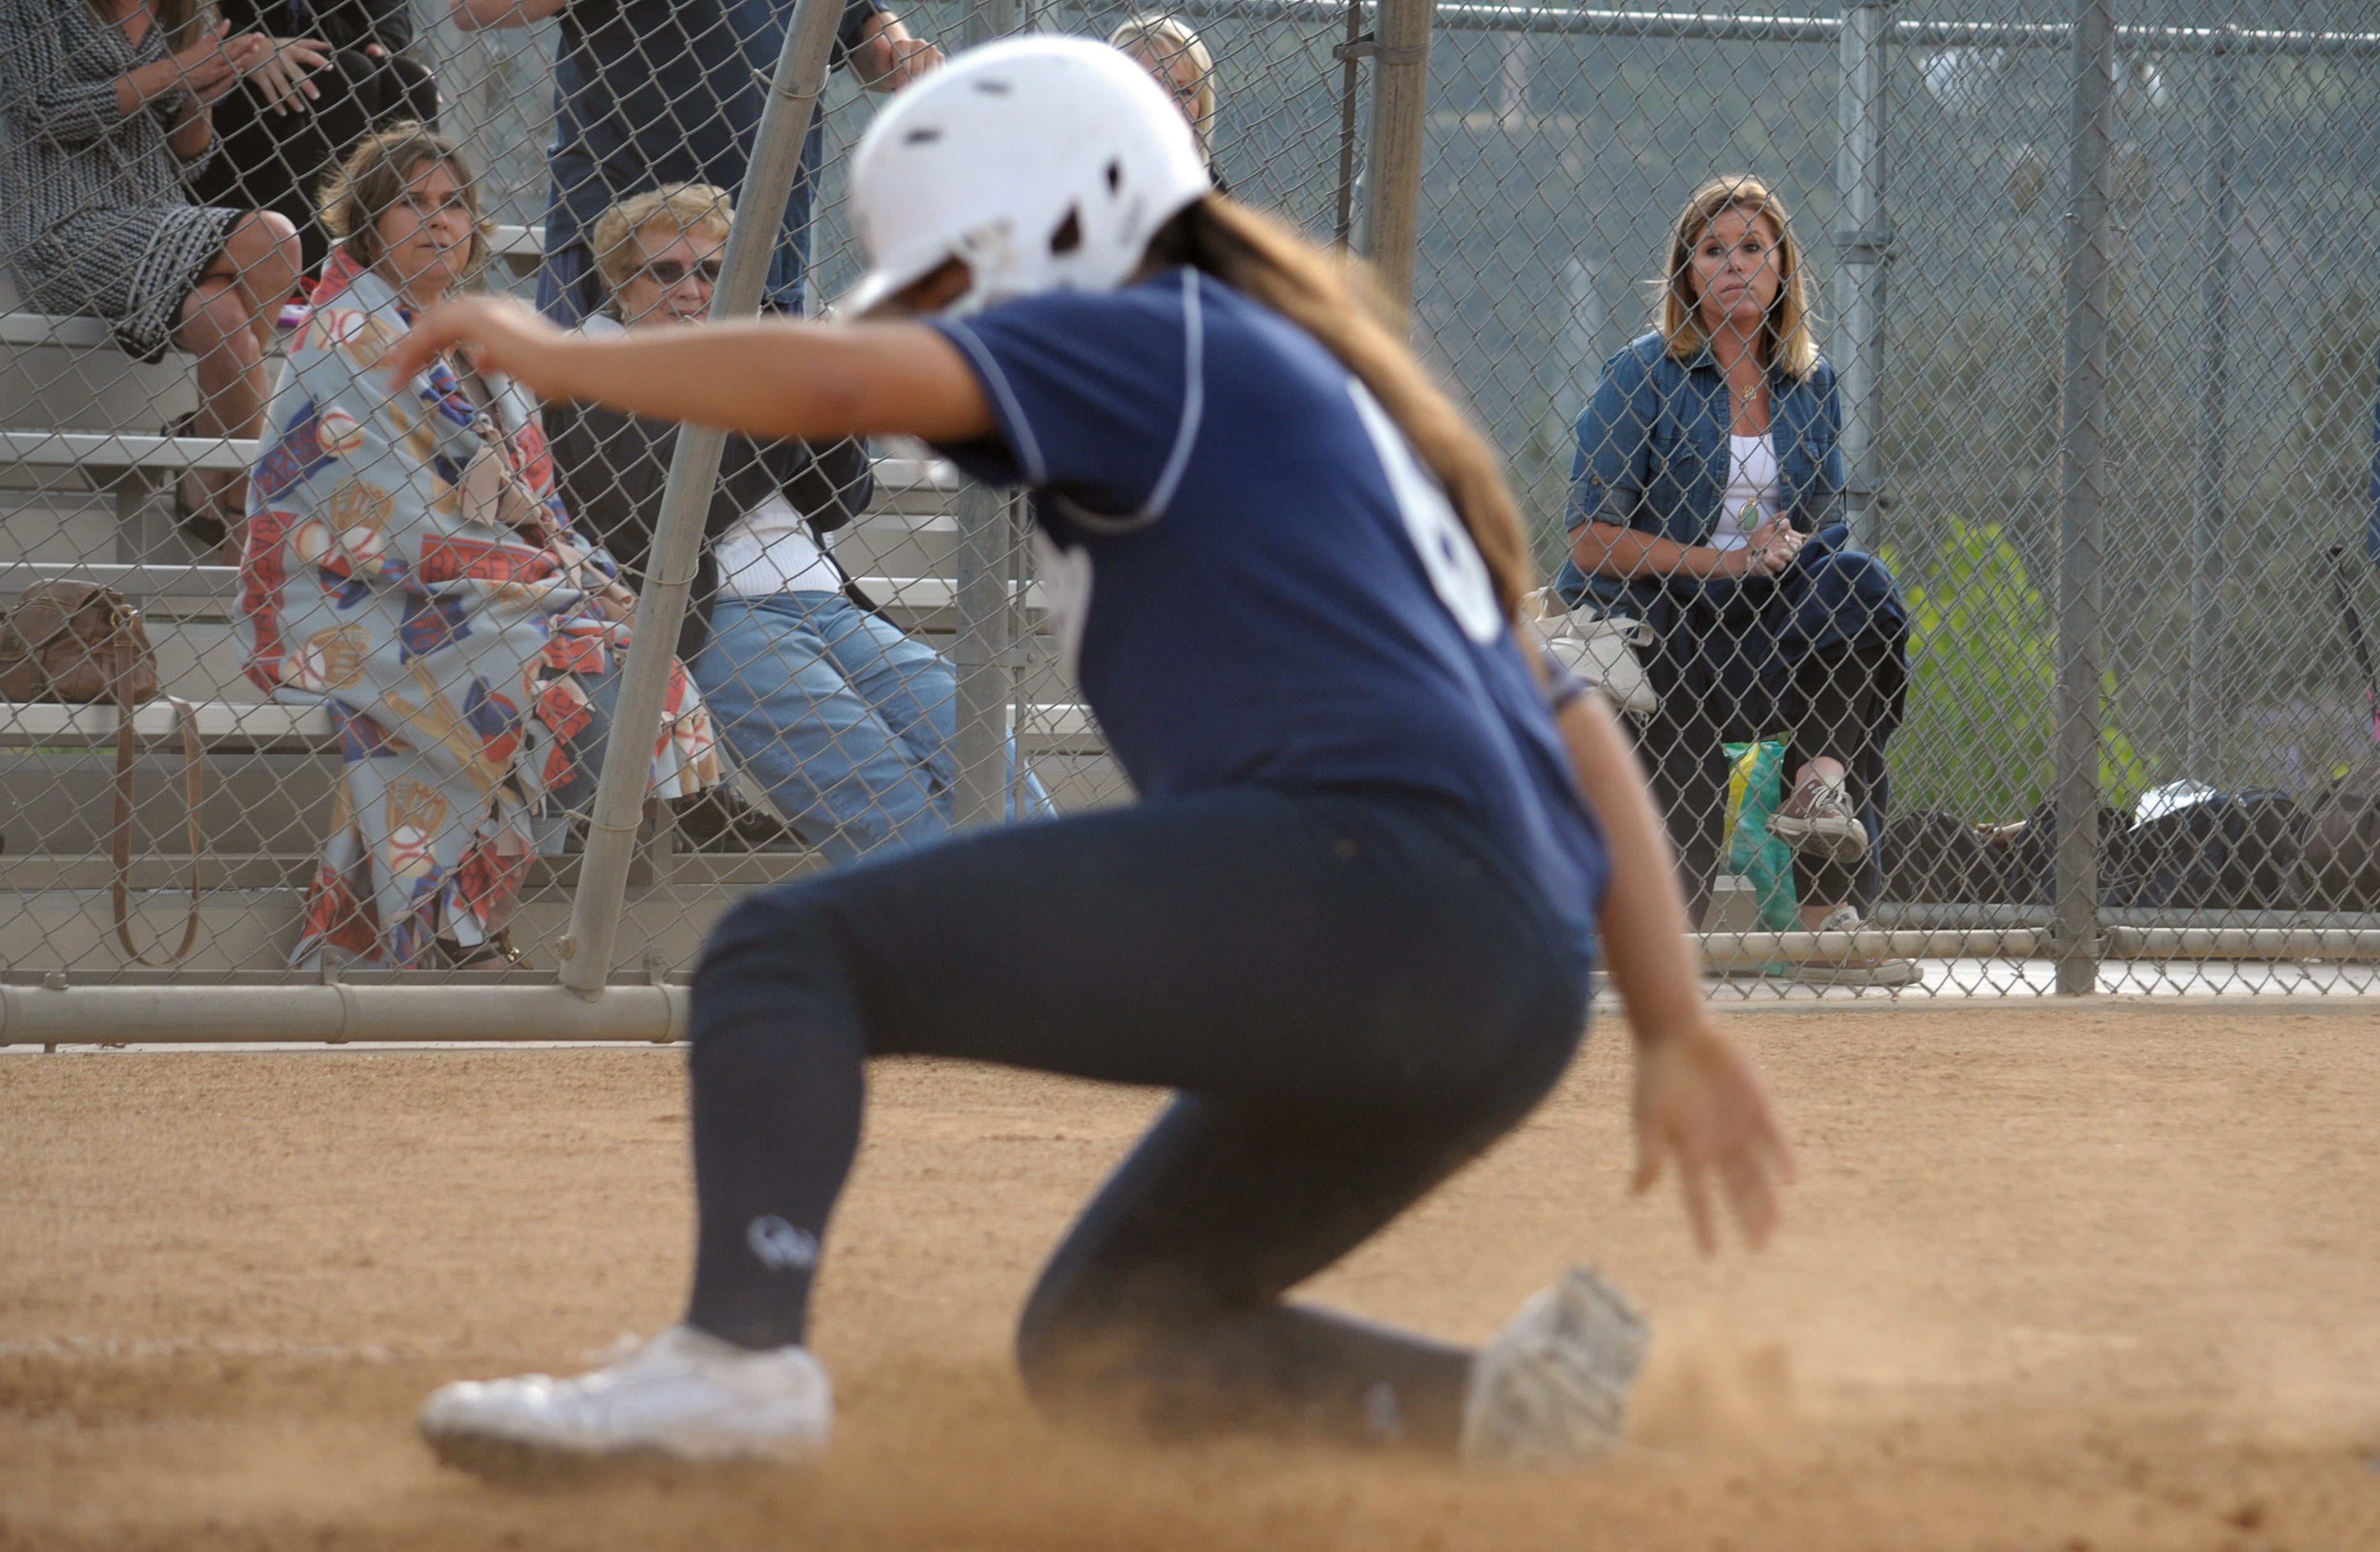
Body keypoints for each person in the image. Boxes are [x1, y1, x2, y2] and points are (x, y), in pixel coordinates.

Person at [392, 39, 1792, 1472]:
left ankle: (735, 1363)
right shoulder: (1286, 381)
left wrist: (568, 355)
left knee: (785, 955)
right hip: (1511, 976)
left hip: (1366, 886)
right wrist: (1672, 1028)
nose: (945, 319)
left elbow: (839, 377)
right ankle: (1508, 1419)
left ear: (1052, 224)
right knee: (1110, 1343)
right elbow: (1569, 723)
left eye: (953, 275)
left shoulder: (1145, 329)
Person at [238, 124, 722, 970]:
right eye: (411, 204)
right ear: (367, 223)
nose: (439, 221)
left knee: (625, 670)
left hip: (487, 587)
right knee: (556, 676)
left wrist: (586, 577)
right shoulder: (345, 333)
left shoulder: (479, 337)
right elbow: (385, 520)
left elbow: (538, 501)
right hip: (360, 594)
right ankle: (460, 937)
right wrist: (562, 584)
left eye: (454, 203)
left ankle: (451, 931)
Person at [549, 183, 1031, 863]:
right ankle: (971, 919)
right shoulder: (595, 368)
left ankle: (1057, 905)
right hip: (717, 614)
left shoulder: (744, 357)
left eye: (711, 272)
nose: (692, 290)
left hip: (827, 602)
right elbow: (665, 514)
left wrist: (828, 401)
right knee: (881, 790)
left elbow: (838, 501)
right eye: (665, 271)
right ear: (621, 285)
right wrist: (775, 400)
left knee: (980, 744)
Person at [1557, 175, 1911, 986]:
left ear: (1782, 267)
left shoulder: (1810, 382)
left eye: (1752, 247)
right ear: (1686, 274)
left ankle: (1820, 833)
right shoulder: (1642, 375)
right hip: (1662, 610)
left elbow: (1818, 524)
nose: (1733, 264)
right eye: (1712, 251)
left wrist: (1783, 543)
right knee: (1689, 752)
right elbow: (1589, 539)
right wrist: (1725, 562)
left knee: (1857, 589)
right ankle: (1654, 940)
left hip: (1764, 611)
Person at [0, 0, 310, 550]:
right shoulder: (30, 7)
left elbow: (186, 160)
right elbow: (45, 114)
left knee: (224, 319)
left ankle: (203, 461)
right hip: (63, 228)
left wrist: (199, 101)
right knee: (275, 239)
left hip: (158, 220)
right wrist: (181, 70)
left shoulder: (186, 11)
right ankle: (242, 498)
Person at [448, 0, 942, 327]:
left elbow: (870, 35)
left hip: (760, 240)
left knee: (750, 444)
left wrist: (903, 55)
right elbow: (473, 9)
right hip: (623, 239)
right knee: (605, 433)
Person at [189, 0, 442, 277]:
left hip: (328, 51)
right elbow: (177, 17)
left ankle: (411, 273)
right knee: (347, 78)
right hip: (232, 68)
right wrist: (244, 44)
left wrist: (384, 42)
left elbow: (387, 12)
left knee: (410, 82)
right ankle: (307, 278)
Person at [1109, 14, 1224, 192]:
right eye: (1151, 86)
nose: (1170, 104)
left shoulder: (1211, 191)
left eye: (1185, 91)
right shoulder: (1081, 178)